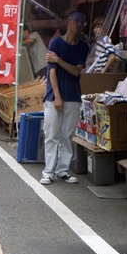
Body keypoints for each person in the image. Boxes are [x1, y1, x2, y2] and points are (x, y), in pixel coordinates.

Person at [40, 10, 90, 186]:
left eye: (82, 22)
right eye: (76, 21)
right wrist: (58, 97)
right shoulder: (55, 42)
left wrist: (59, 60)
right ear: (68, 22)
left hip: (74, 95)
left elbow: (77, 71)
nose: (79, 25)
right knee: (51, 133)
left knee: (67, 134)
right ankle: (48, 171)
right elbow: (51, 72)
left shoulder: (83, 47)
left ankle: (62, 170)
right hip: (54, 96)